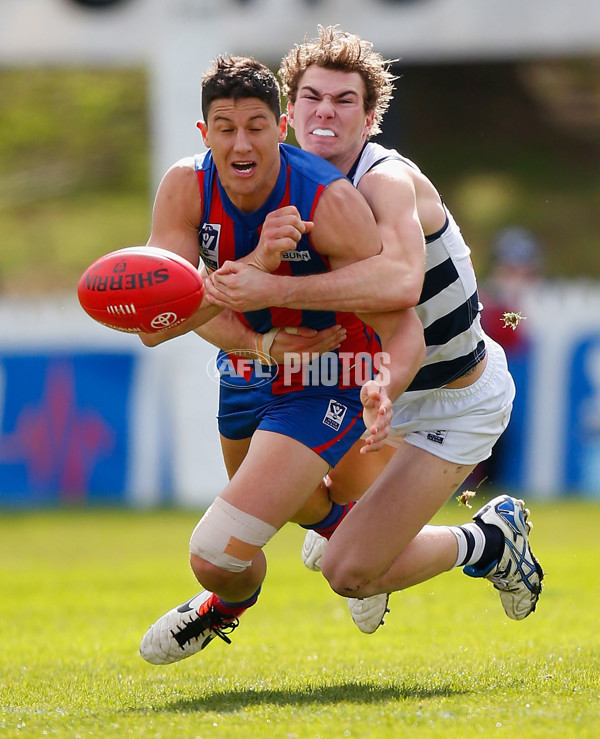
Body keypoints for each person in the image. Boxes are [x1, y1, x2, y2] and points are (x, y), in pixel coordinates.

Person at [200, 26, 544, 635]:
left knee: (347, 570)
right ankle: (349, 539)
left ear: (370, 117)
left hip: (451, 399)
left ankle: (488, 540)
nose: (325, 112)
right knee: (301, 498)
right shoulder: (283, 183)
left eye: (344, 100)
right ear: (289, 112)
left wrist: (274, 289)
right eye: (311, 97)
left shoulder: (385, 177)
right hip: (366, 387)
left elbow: (400, 283)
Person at [137, 54, 425, 665]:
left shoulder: (329, 200)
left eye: (256, 126)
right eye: (224, 127)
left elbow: (403, 326)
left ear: (281, 124)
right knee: (259, 540)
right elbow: (158, 328)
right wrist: (257, 313)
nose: (241, 143)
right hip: (246, 369)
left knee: (214, 552)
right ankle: (240, 597)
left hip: (328, 375)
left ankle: (221, 604)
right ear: (204, 132)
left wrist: (385, 384)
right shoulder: (184, 187)